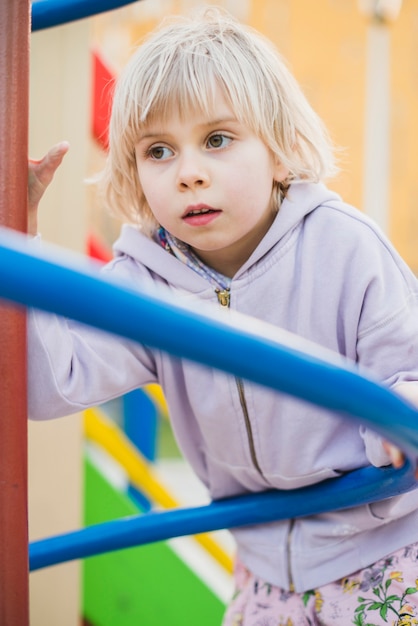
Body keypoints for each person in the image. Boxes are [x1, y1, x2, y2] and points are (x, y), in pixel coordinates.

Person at [28, 7, 418, 625]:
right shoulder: (143, 286)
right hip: (263, 560)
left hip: (382, 548)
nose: (190, 173)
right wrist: (22, 235)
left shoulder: (345, 248)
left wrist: (401, 411)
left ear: (281, 151)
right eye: (159, 150)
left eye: (217, 139)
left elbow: (407, 366)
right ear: (135, 173)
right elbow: (52, 386)